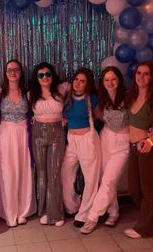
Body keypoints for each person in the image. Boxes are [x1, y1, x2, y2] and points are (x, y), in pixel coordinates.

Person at [80, 66, 130, 234]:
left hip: (123, 143)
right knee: (104, 179)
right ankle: (113, 212)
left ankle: (92, 217)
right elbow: (89, 114)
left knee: (109, 180)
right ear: (102, 82)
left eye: (113, 79)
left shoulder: (128, 97)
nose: (110, 82)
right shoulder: (100, 99)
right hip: (105, 139)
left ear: (119, 80)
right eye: (107, 79)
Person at [123, 61, 153, 239]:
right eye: (139, 73)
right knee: (133, 187)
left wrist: (150, 140)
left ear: (152, 76)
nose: (141, 77)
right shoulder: (130, 95)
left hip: (147, 147)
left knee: (146, 187)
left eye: (146, 74)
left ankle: (145, 229)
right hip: (133, 147)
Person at [0, 59, 36, 227]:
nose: (13, 72)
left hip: (23, 134)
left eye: (16, 69)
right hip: (5, 134)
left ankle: (23, 211)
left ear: (20, 72)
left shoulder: (27, 93)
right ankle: (8, 211)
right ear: (5, 73)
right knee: (7, 172)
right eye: (9, 70)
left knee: (25, 170)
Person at [61, 68, 101, 228]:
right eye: (76, 79)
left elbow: (100, 116)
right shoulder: (67, 97)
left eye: (82, 81)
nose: (78, 83)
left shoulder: (92, 99)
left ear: (88, 83)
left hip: (87, 140)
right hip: (71, 140)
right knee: (65, 173)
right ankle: (73, 206)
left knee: (91, 178)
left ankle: (85, 214)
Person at [29, 62, 68, 226]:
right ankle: (43, 211)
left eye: (48, 74)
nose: (45, 77)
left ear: (53, 75)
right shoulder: (31, 94)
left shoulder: (62, 89)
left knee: (54, 173)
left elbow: (82, 90)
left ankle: (56, 214)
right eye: (41, 75)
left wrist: (68, 117)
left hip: (57, 134)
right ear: (36, 78)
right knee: (42, 174)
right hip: (38, 133)